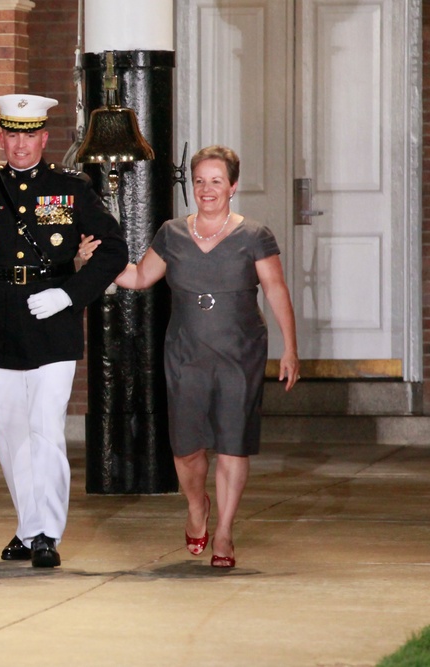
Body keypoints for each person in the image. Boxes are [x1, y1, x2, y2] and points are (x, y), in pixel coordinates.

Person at [0, 94, 129, 568]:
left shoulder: (72, 188)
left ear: (43, 138)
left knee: (46, 429)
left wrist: (71, 295)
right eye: (11, 135)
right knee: (9, 431)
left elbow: (114, 251)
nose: (20, 145)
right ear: (1, 137)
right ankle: (26, 526)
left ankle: (47, 532)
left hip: (53, 317)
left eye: (29, 135)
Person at [104, 144, 300, 568]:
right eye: (199, 181)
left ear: (232, 186)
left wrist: (290, 348)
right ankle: (197, 506)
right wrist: (98, 263)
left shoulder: (255, 235)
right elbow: (139, 277)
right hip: (186, 353)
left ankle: (225, 532)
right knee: (187, 448)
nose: (207, 189)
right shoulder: (172, 233)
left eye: (216, 181)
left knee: (232, 446)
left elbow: (276, 290)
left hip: (240, 352)